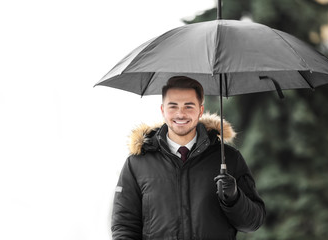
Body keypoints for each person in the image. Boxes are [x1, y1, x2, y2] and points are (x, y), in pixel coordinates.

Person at [111, 76, 266, 240]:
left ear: (200, 110)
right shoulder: (137, 163)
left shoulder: (228, 158)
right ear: (163, 110)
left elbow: (253, 223)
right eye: (173, 106)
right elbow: (124, 227)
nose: (180, 113)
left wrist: (234, 199)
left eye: (188, 106)